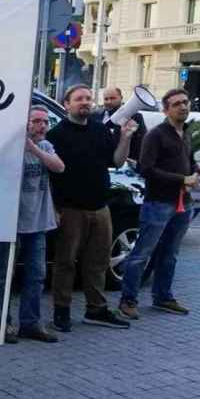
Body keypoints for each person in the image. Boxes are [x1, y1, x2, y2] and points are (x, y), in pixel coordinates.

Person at [46, 84, 137, 331]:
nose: (84, 102)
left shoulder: (100, 131)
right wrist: (55, 207)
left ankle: (96, 309)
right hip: (70, 210)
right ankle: (61, 311)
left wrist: (126, 138)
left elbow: (116, 162)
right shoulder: (56, 135)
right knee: (65, 263)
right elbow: (50, 177)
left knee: (97, 262)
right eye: (78, 99)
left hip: (100, 208)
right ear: (67, 105)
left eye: (87, 98)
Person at [118, 89, 200, 318]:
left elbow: (186, 161)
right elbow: (145, 169)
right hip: (158, 204)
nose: (183, 107)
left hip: (183, 203)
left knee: (170, 254)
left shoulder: (185, 132)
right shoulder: (156, 135)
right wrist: (182, 179)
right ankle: (128, 300)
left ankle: (163, 297)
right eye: (177, 104)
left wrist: (198, 171)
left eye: (185, 102)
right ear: (166, 109)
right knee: (141, 254)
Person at [0, 107, 65, 343]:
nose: (42, 126)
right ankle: (4, 323)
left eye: (45, 122)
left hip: (38, 222)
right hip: (11, 223)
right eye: (36, 121)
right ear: (25, 124)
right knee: (5, 276)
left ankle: (31, 323)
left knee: (36, 275)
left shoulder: (44, 146)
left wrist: (33, 148)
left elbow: (59, 166)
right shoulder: (9, 147)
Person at [99, 86, 146, 164]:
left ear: (121, 98)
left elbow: (142, 143)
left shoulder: (136, 117)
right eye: (106, 99)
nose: (109, 102)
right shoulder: (94, 115)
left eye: (113, 98)